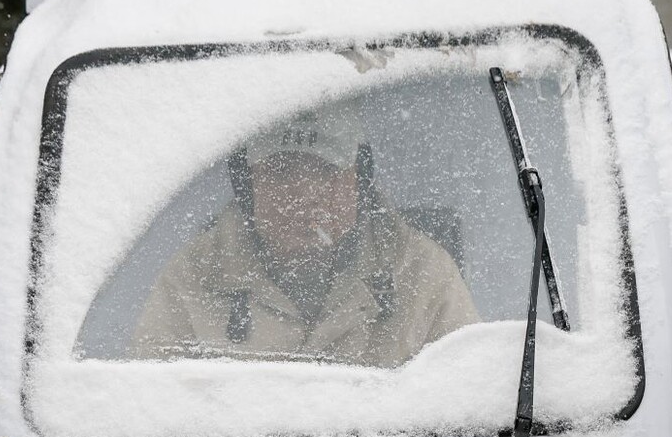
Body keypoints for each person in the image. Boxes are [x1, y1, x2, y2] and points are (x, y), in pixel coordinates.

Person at [129, 106, 477, 367]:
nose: (302, 195)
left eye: (325, 172)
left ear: (360, 179)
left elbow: (468, 413)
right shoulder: (190, 282)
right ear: (246, 186)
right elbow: (151, 421)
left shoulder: (424, 276)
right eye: (282, 173)